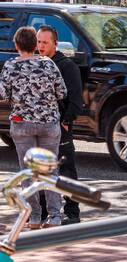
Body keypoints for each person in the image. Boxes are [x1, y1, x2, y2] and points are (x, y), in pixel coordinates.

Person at [0, 26, 66, 228]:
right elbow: (62, 92)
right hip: (48, 123)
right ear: (35, 44)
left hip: (22, 124)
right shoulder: (48, 64)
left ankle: (34, 216)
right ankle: (54, 216)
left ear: (17, 45)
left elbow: (3, 95)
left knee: (27, 172)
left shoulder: (11, 66)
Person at [37, 25, 85, 224]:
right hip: (41, 126)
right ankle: (41, 212)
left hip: (60, 127)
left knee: (66, 170)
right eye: (38, 42)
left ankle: (72, 213)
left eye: (44, 43)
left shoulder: (66, 66)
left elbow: (76, 99)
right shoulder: (36, 64)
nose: (40, 46)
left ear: (55, 44)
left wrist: (66, 122)